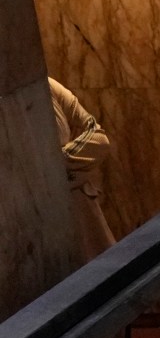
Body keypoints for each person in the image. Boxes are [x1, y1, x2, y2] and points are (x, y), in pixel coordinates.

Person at [49, 78, 112, 259]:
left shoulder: (49, 86)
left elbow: (99, 139)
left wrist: (50, 166)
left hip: (81, 207)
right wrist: (75, 170)